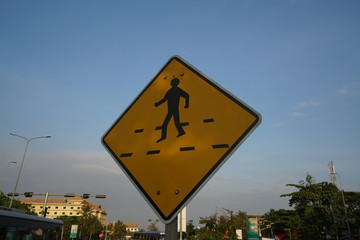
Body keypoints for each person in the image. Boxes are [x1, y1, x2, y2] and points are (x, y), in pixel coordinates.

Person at [154, 78, 189, 143]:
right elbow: (164, 99)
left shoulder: (178, 90)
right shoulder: (169, 91)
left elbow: (187, 95)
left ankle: (165, 136)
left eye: (174, 82)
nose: (172, 83)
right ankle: (180, 132)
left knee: (170, 123)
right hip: (170, 110)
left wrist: (187, 104)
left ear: (176, 83)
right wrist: (157, 104)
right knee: (173, 123)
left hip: (174, 109)